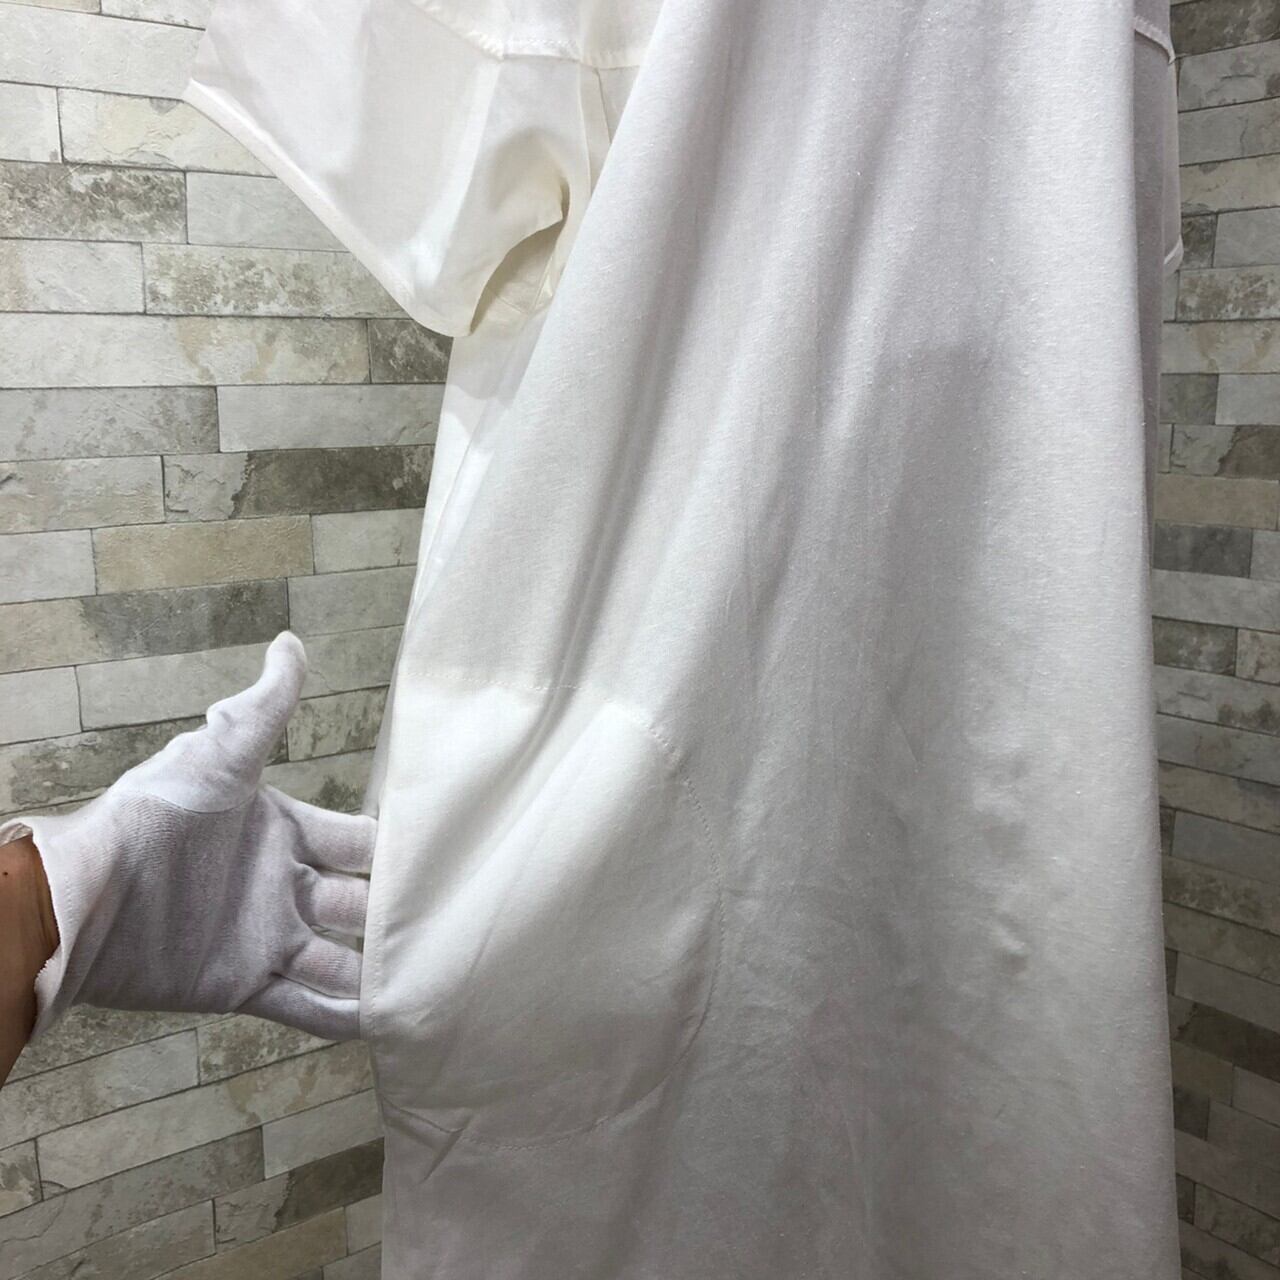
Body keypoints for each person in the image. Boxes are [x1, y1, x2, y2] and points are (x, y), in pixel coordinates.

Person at [3, 0, 1186, 1276]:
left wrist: (59, 900)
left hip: (611, 959)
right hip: (997, 965)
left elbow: (431, 174)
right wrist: (45, 907)